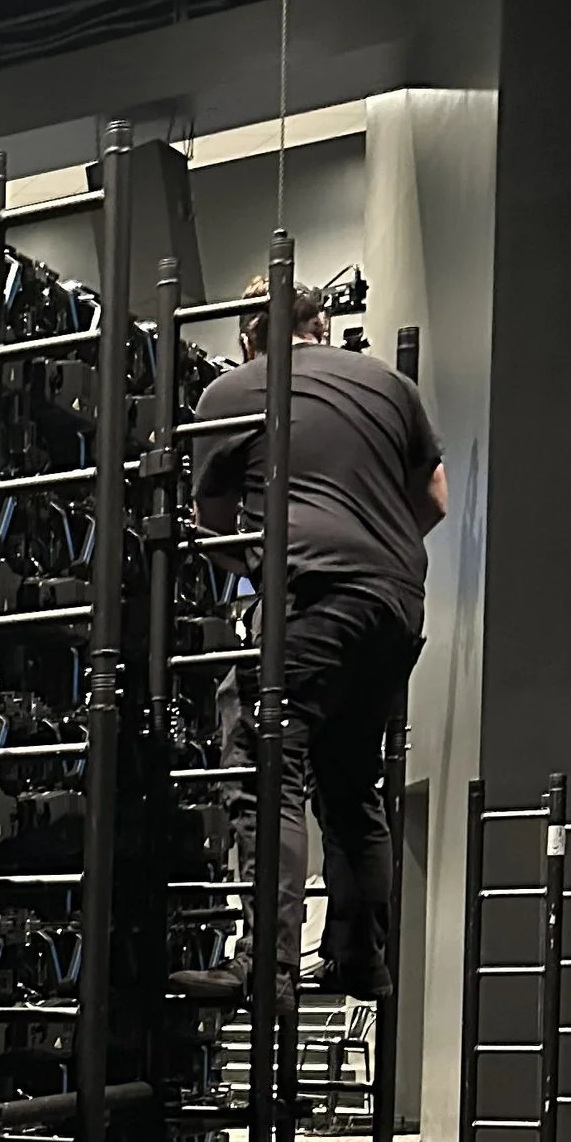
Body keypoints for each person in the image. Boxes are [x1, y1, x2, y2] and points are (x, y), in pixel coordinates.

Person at [195, 281, 445, 997]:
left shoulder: (238, 388)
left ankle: (266, 964)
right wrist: (371, 553)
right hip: (398, 602)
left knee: (262, 763)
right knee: (349, 779)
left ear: (249, 337)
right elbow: (434, 499)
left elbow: (217, 525)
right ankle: (362, 956)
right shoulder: (390, 386)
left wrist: (291, 561)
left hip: (313, 595)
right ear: (323, 328)